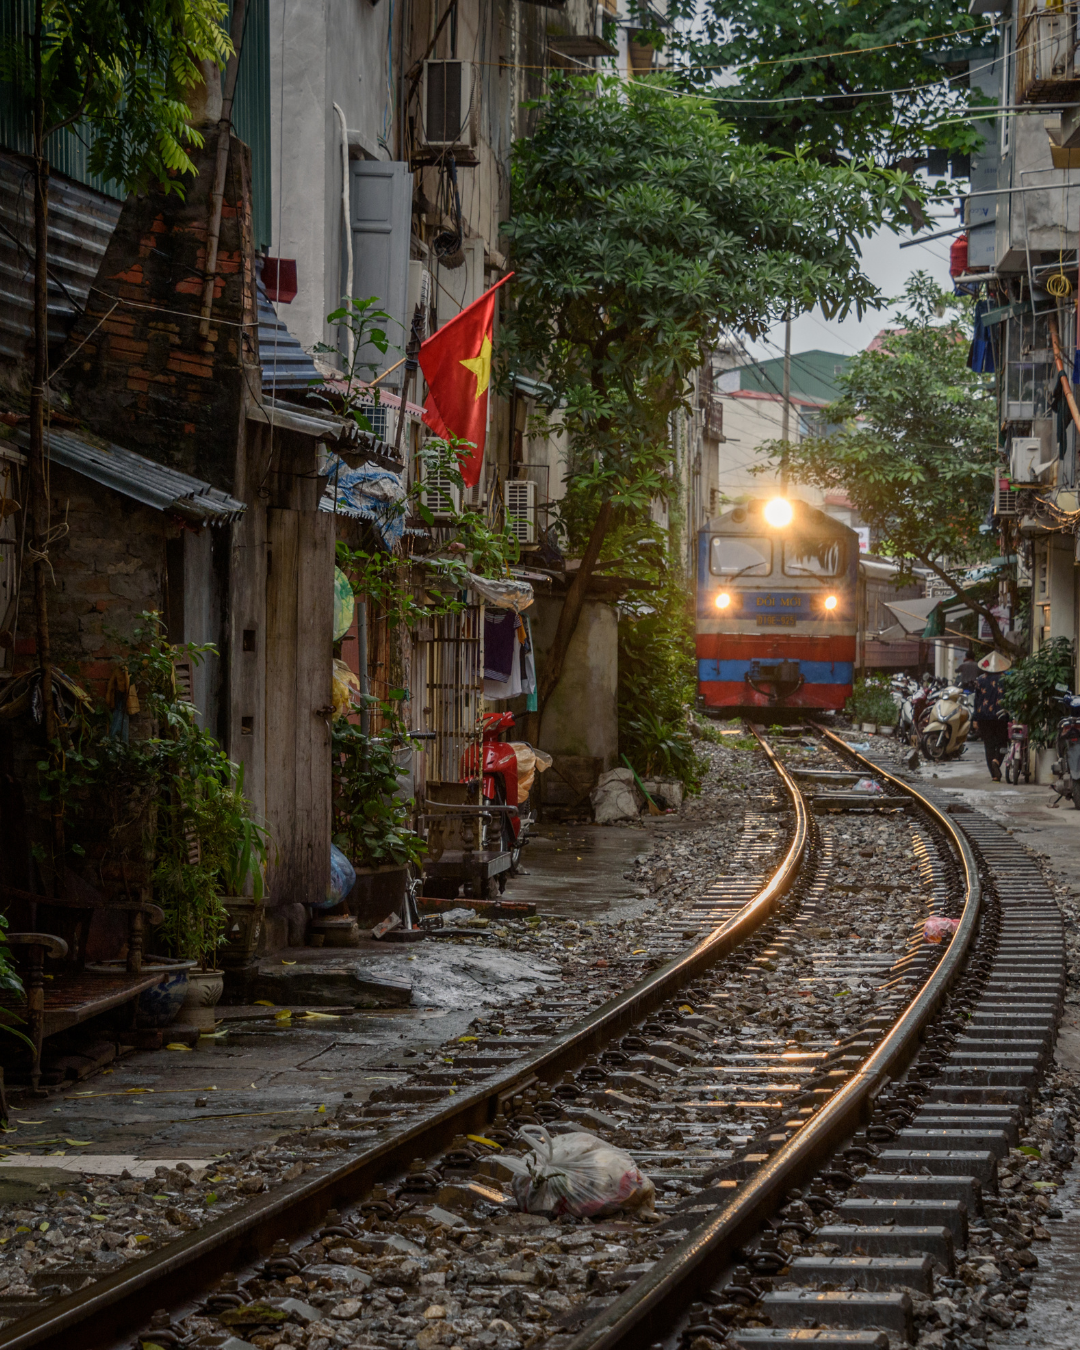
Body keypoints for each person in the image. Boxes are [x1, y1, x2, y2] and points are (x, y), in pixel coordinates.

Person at [972, 651, 1013, 781]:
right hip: (1002, 716)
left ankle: (994, 775)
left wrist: (975, 719)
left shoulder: (980, 680)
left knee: (988, 744)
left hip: (984, 716)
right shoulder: (1007, 680)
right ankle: (997, 760)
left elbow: (977, 701)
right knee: (1002, 742)